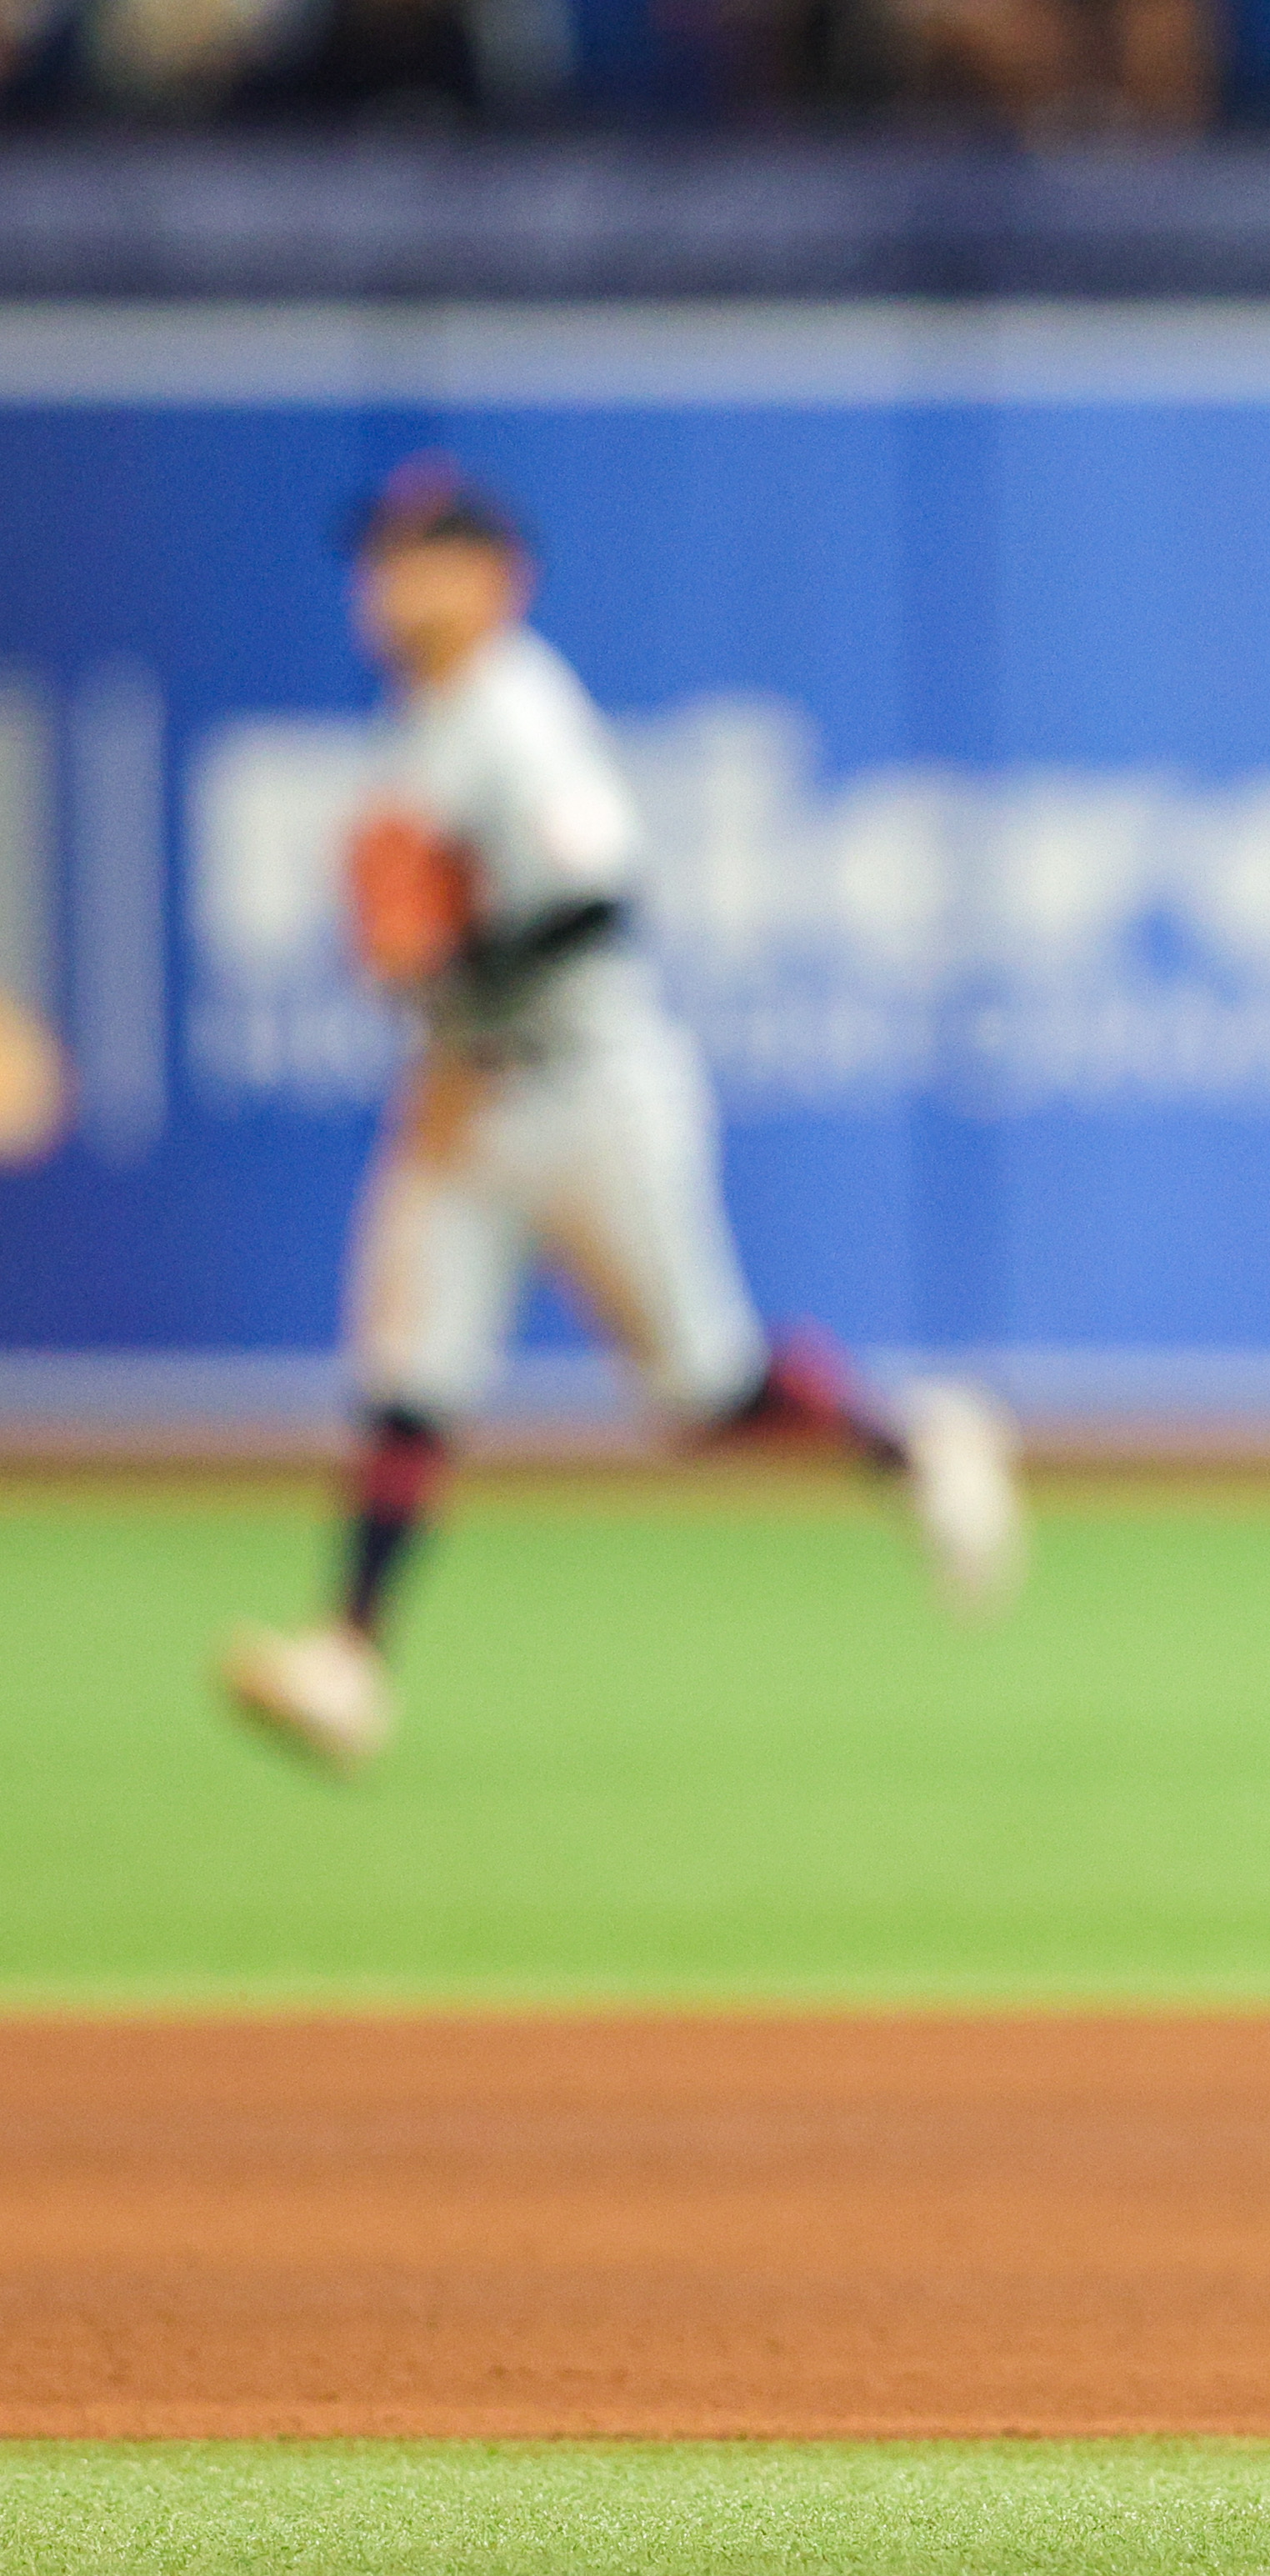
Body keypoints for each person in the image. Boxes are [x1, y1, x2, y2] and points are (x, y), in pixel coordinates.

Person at [219, 459, 1022, 1777]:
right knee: (408, 1382)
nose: (387, 584)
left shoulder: (518, 713)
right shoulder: (413, 726)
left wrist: (451, 961)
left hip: (592, 1092)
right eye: (380, 559)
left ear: (493, 580)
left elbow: (599, 896)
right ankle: (350, 1657)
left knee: (702, 1393)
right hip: (467, 1103)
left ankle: (914, 1449)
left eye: (419, 557)